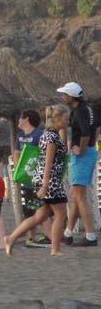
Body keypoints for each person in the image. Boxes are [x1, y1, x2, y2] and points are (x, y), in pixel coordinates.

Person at [5, 104, 71, 256]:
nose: (68, 122)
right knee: (60, 214)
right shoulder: (51, 136)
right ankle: (55, 249)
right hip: (49, 180)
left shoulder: (48, 134)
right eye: (66, 119)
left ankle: (11, 238)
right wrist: (45, 184)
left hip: (42, 179)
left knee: (40, 216)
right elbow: (47, 162)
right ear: (58, 119)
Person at [57, 82, 98, 246]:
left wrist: (80, 150)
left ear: (71, 96)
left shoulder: (79, 111)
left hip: (82, 155)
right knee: (75, 195)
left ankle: (90, 235)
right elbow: (95, 129)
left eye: (64, 94)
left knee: (80, 197)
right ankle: (68, 232)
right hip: (89, 153)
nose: (62, 97)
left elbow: (86, 134)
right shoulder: (89, 108)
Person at [15, 108, 49, 247]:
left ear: (26, 119)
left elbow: (45, 153)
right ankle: (31, 238)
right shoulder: (19, 135)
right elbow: (16, 152)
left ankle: (49, 236)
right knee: (29, 208)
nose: (18, 120)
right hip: (26, 178)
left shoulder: (39, 134)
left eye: (20, 117)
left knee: (40, 208)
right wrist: (19, 170)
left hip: (38, 178)